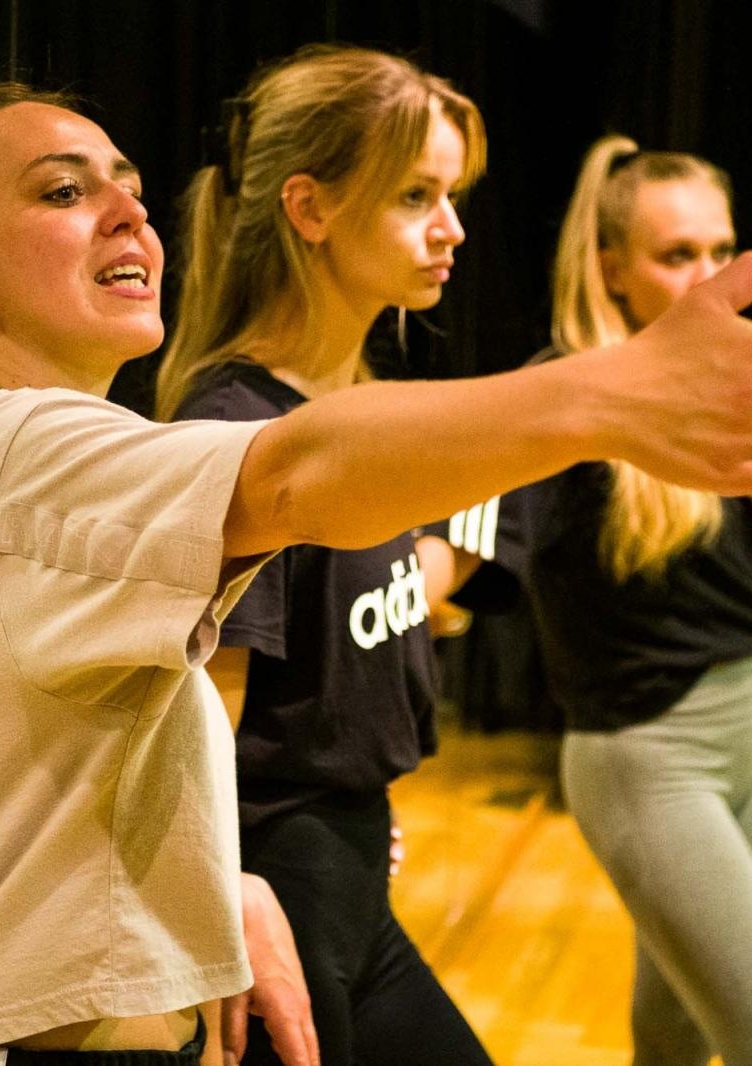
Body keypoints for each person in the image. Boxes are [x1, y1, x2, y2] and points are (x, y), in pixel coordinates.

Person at [0, 77, 752, 1066]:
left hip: (269, 925)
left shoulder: (26, 453)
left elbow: (66, 754)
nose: (130, 208)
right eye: (62, 190)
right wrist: (605, 395)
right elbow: (293, 479)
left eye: (127, 183)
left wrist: (214, 884)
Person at [155, 46, 500, 1065]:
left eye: (453, 194)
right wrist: (235, 903)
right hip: (280, 895)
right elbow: (193, 729)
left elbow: (378, 611)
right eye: (415, 195)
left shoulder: (348, 407)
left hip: (350, 877)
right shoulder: (240, 431)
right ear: (308, 208)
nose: (452, 228)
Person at [519, 134, 752, 1065]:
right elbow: (472, 540)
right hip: (648, 757)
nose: (709, 277)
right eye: (678, 257)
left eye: (721, 251)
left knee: (672, 1036)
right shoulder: (567, 392)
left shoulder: (745, 386)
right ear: (612, 270)